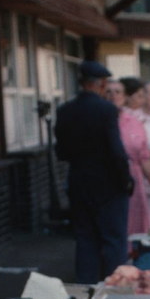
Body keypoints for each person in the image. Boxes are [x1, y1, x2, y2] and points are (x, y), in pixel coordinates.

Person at [54, 61, 131, 283]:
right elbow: (116, 150)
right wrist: (125, 180)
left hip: (79, 182)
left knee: (85, 240)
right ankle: (116, 293)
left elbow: (61, 152)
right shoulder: (106, 110)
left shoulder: (64, 111)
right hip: (109, 184)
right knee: (113, 241)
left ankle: (86, 294)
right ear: (102, 84)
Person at [118, 77, 150, 237]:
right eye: (140, 95)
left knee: (147, 212)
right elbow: (141, 149)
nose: (144, 99)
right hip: (134, 173)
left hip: (144, 171)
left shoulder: (142, 116)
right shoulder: (127, 118)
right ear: (128, 97)